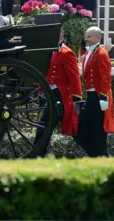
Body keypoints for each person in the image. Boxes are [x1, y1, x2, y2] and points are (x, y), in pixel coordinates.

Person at [33, 29, 83, 157]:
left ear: (60, 38)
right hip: (50, 93)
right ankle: (38, 154)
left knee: (45, 125)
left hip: (60, 95)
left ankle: (37, 155)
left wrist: (77, 98)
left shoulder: (67, 53)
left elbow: (74, 77)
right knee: (47, 125)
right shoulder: (50, 51)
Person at [75, 26, 114, 157]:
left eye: (89, 37)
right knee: (83, 126)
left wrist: (103, 97)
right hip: (90, 96)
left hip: (98, 96)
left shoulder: (101, 53)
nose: (86, 39)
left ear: (98, 38)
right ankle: (96, 154)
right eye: (86, 36)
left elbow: (106, 76)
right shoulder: (89, 53)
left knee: (98, 128)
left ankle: (103, 155)